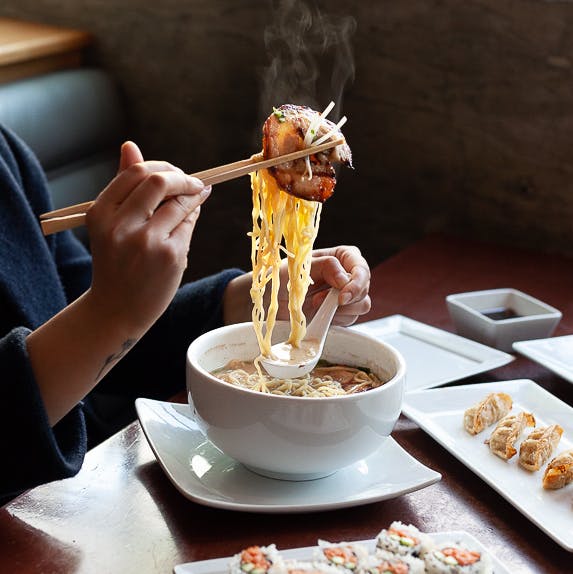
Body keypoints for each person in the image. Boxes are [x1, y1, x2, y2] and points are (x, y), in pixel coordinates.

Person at [0, 124, 371, 502]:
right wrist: (109, 314)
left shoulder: (5, 153)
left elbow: (84, 330)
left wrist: (263, 295)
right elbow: (96, 323)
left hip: (97, 485)